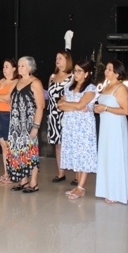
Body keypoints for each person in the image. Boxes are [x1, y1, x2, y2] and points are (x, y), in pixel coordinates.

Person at [58, 60, 98, 199]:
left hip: (84, 127)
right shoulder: (69, 87)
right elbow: (59, 105)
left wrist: (70, 105)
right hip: (71, 126)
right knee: (76, 154)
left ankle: (81, 187)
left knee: (84, 154)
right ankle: (78, 186)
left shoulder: (90, 88)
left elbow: (81, 105)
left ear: (86, 74)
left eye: (80, 71)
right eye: (75, 70)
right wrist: (74, 106)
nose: (76, 73)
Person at [94, 60, 128, 204]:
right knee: (106, 156)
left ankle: (117, 192)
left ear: (117, 73)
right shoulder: (107, 86)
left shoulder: (120, 88)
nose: (106, 71)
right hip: (106, 125)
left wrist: (105, 108)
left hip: (116, 126)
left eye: (110, 69)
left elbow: (126, 110)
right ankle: (106, 189)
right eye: (107, 68)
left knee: (115, 156)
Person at [7, 56, 45, 193]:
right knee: (19, 152)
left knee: (30, 152)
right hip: (16, 124)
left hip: (29, 123)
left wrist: (36, 126)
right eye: (19, 65)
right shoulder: (18, 82)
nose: (19, 68)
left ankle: (33, 183)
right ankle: (23, 181)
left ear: (30, 67)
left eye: (22, 66)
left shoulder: (35, 83)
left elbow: (40, 106)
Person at [0, 58, 19, 183]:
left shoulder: (16, 82)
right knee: (3, 145)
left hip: (7, 115)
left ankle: (13, 173)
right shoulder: (1, 81)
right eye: (3, 67)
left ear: (14, 69)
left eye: (7, 67)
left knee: (9, 145)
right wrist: (1, 98)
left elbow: (8, 97)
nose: (4, 69)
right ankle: (6, 173)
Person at [47, 51, 74, 183]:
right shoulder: (52, 77)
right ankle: (61, 173)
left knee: (70, 144)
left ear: (67, 60)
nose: (57, 60)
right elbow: (49, 95)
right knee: (58, 144)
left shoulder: (72, 77)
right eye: (56, 58)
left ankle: (77, 175)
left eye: (60, 58)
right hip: (53, 114)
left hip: (67, 113)